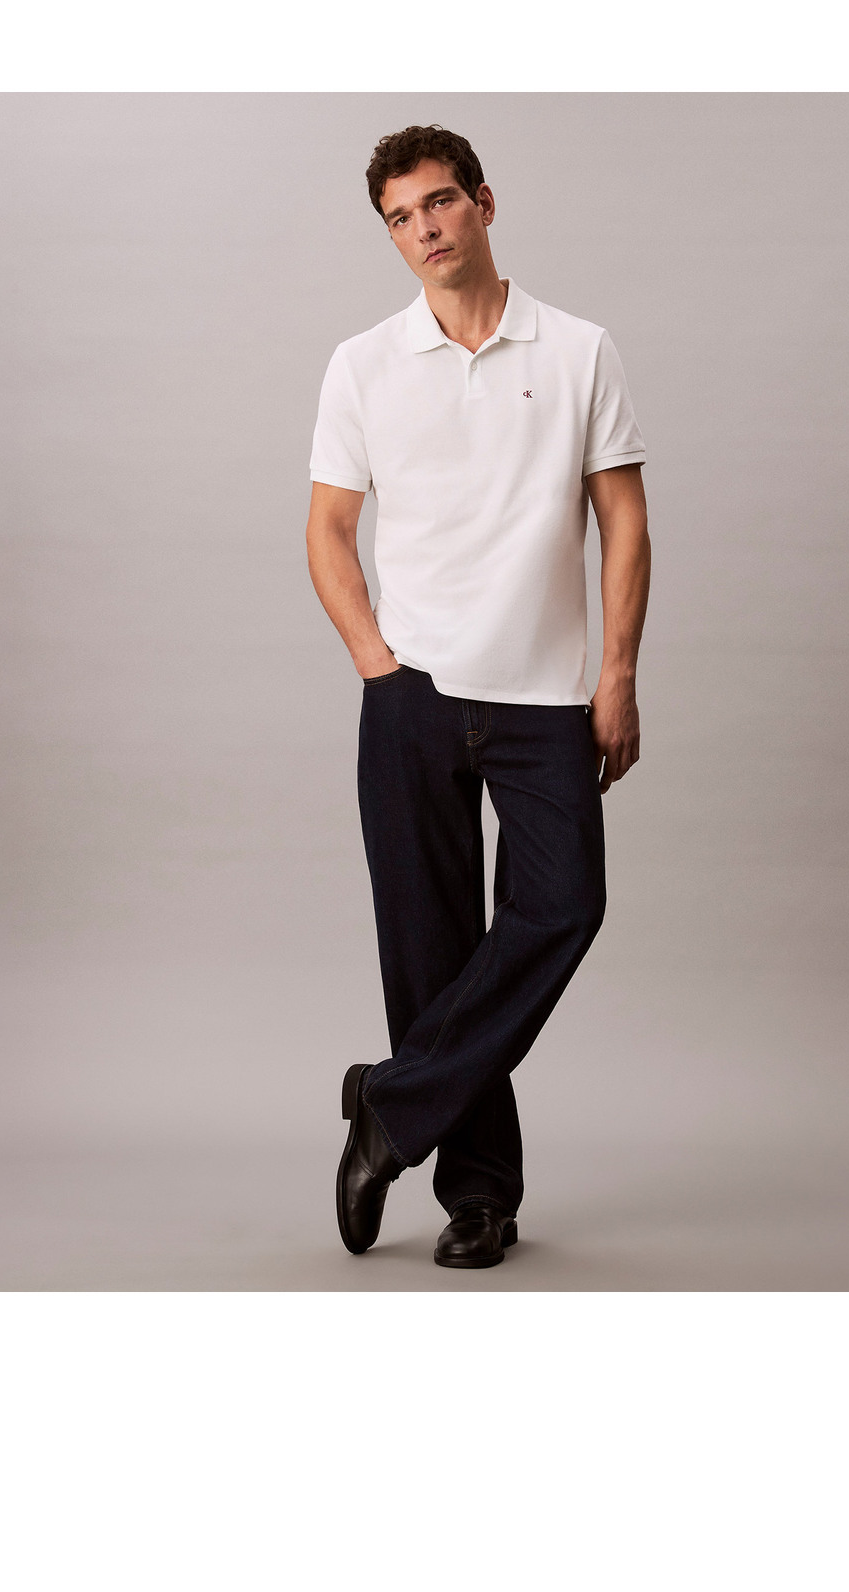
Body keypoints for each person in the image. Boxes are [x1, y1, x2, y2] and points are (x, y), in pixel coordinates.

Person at [306, 124, 650, 1269]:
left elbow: (624, 521)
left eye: (441, 202)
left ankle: (390, 1103)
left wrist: (616, 674)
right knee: (430, 952)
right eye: (401, 217)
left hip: (545, 695)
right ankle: (480, 1199)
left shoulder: (581, 350)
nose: (425, 229)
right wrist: (375, 661)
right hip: (410, 692)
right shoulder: (363, 363)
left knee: (565, 907)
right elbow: (328, 529)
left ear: (485, 203)